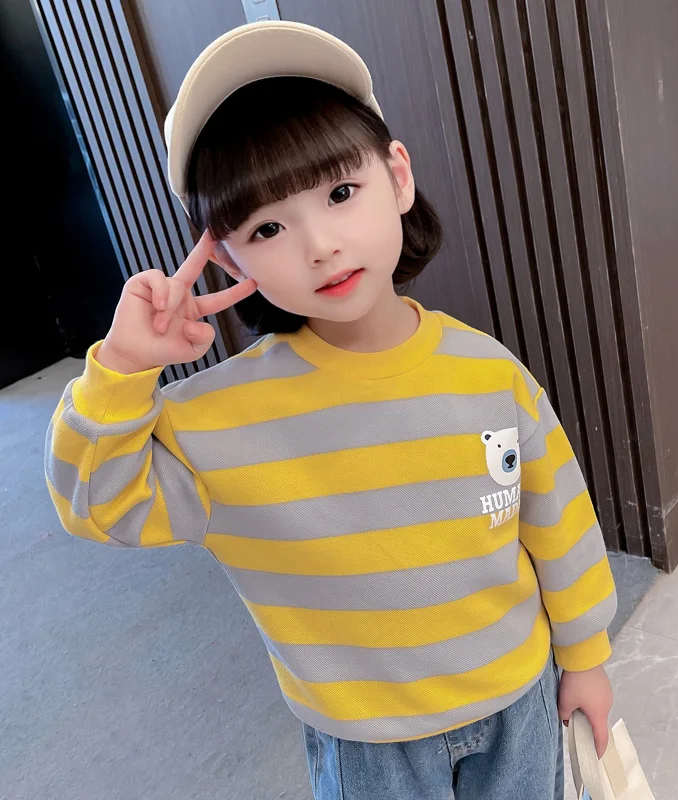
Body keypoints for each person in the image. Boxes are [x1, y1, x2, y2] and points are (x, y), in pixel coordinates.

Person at [45, 20, 617, 800]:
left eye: (341, 193)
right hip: (366, 746)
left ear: (398, 177)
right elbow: (95, 504)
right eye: (267, 227)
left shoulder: (489, 373)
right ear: (227, 257)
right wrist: (121, 368)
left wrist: (585, 656)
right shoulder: (217, 420)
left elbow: (558, 521)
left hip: (518, 700)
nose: (319, 244)